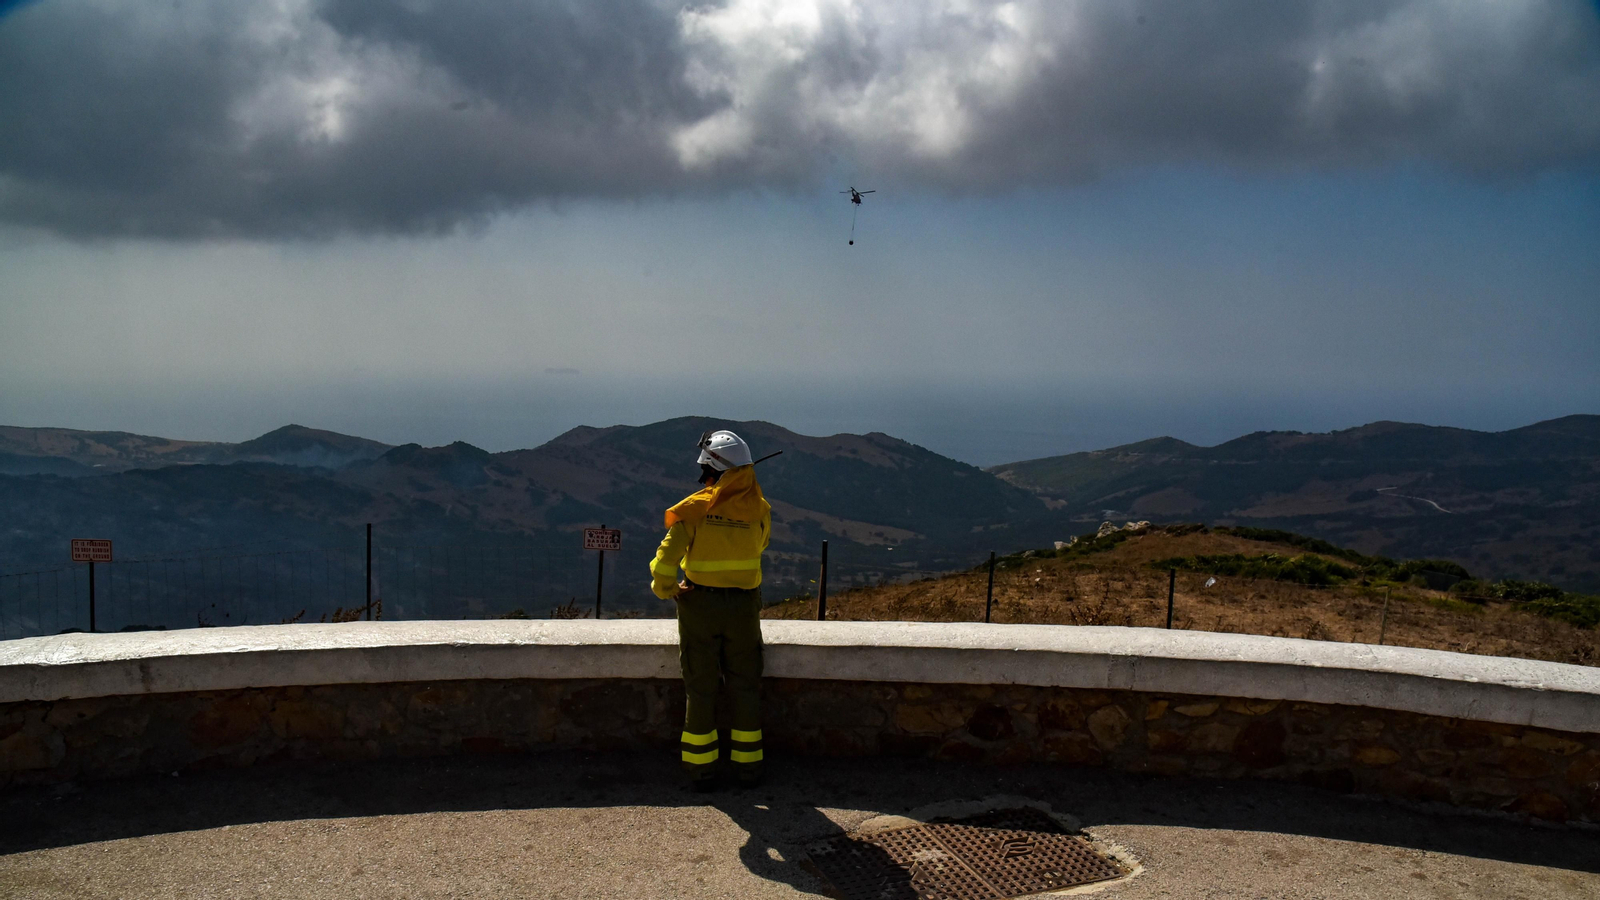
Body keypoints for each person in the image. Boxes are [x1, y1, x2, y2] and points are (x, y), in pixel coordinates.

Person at [649, 429, 771, 791]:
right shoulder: (760, 509)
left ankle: (700, 770)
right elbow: (760, 545)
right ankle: (749, 769)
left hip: (698, 603)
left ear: (716, 472)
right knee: (746, 685)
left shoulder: (695, 509)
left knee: (701, 687)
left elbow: (664, 561)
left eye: (706, 473)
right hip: (744, 607)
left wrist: (667, 589)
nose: (703, 479)